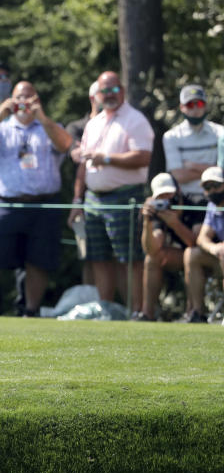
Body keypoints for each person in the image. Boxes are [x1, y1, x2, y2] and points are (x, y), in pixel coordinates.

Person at [0, 81, 72, 317]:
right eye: (19, 97)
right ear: (11, 100)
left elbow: (66, 144)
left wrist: (42, 117)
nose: (24, 102)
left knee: (38, 261)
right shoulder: (0, 127)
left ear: (38, 100)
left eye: (29, 97)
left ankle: (30, 311)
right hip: (6, 204)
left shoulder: (50, 126)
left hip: (43, 204)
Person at [77, 70, 154, 317]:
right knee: (98, 257)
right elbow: (84, 163)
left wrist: (107, 159)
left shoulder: (135, 120)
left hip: (124, 196)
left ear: (121, 90)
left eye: (113, 89)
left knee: (128, 258)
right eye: (104, 91)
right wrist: (77, 200)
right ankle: (106, 310)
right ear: (97, 94)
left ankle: (135, 311)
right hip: (93, 199)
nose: (108, 95)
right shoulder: (94, 122)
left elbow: (143, 157)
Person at [138, 173, 202, 321]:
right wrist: (147, 222)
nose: (166, 199)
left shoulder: (194, 204)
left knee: (190, 254)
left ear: (178, 190)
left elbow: (196, 243)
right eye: (161, 195)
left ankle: (193, 312)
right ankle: (147, 314)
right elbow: (152, 249)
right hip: (182, 257)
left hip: (201, 257)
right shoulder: (158, 210)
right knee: (152, 259)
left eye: (169, 193)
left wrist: (175, 224)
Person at [163, 85, 224, 206]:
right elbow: (179, 176)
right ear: (181, 107)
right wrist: (213, 172)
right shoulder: (171, 137)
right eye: (190, 105)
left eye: (199, 104)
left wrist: (193, 166)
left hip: (217, 199)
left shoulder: (221, 133)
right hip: (186, 200)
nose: (195, 108)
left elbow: (223, 171)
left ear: (205, 106)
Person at [66, 80, 101, 286]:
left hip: (108, 196)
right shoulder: (77, 127)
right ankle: (91, 302)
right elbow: (78, 156)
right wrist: (77, 201)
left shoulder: (119, 125)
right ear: (92, 98)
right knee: (88, 256)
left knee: (113, 257)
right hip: (83, 199)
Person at [184, 166, 224, 324]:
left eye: (216, 185)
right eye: (208, 187)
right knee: (191, 254)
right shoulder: (212, 207)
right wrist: (214, 248)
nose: (213, 190)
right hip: (220, 256)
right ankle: (197, 312)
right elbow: (202, 239)